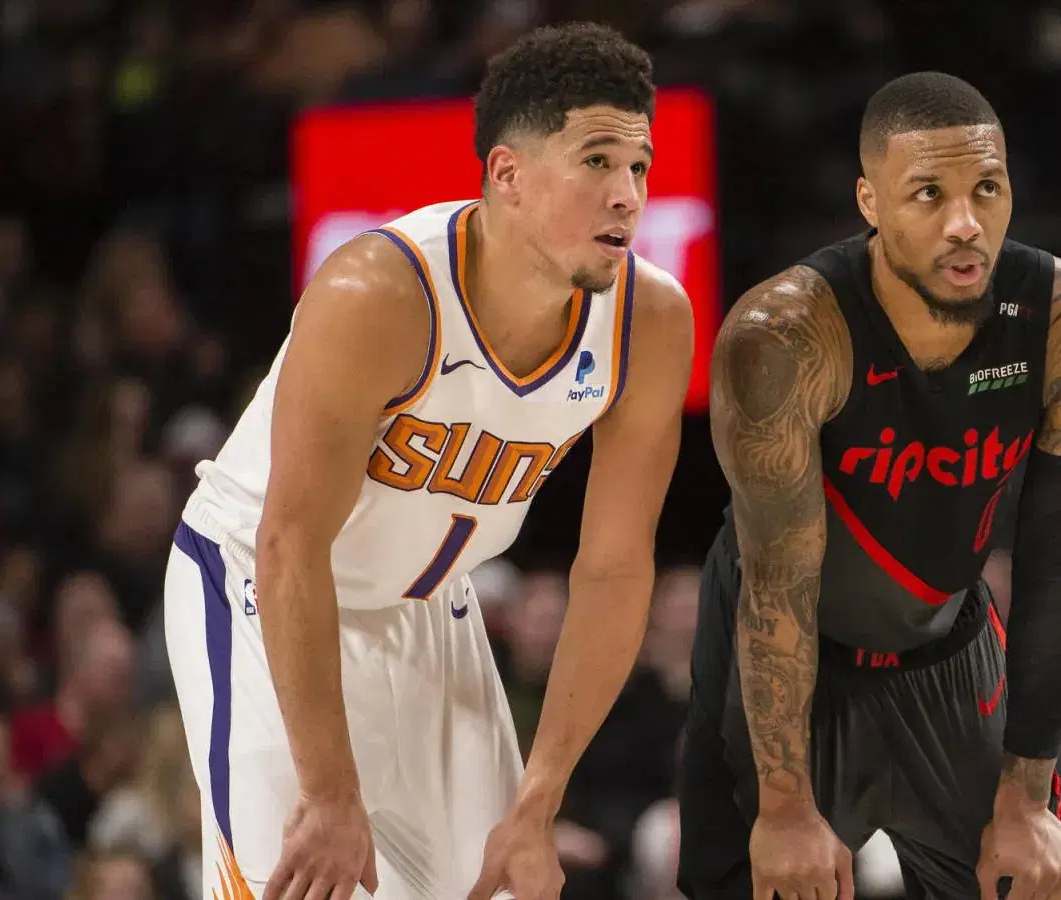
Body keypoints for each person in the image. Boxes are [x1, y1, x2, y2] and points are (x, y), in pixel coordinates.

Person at [162, 23, 693, 900]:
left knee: (504, 881)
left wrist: (538, 800)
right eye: (598, 161)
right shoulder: (378, 294)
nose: (628, 194)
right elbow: (290, 545)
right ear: (507, 176)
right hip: (260, 590)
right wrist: (330, 794)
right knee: (306, 879)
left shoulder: (651, 322)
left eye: (639, 166)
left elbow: (613, 568)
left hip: (424, 608)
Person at [678, 72, 1061, 900]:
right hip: (789, 650)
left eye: (986, 189)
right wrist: (783, 810)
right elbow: (778, 585)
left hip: (945, 646)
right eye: (928, 194)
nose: (966, 224)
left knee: (1031, 878)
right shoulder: (783, 335)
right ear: (869, 201)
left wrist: (1027, 796)